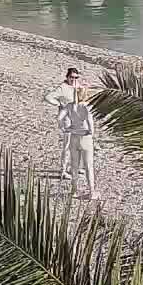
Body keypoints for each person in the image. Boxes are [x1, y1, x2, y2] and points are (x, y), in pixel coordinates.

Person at [43, 67, 97, 199]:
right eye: (71, 77)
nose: (74, 80)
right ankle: (64, 170)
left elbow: (87, 94)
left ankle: (75, 181)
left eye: (76, 77)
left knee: (75, 153)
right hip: (70, 121)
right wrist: (59, 104)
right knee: (67, 147)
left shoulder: (79, 86)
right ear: (67, 77)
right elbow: (48, 97)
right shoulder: (63, 88)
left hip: (74, 121)